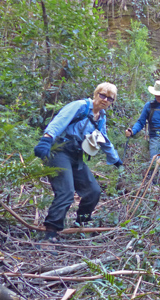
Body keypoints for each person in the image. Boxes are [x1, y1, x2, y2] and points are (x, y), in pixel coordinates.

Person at [34, 82, 122, 243]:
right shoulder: (80, 106)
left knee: (93, 191)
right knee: (66, 192)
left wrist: (115, 159)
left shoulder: (101, 117)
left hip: (76, 156)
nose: (105, 100)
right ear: (95, 94)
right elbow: (60, 121)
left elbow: (103, 139)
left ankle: (79, 225)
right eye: (102, 95)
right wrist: (46, 139)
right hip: (59, 151)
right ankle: (50, 234)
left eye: (109, 98)